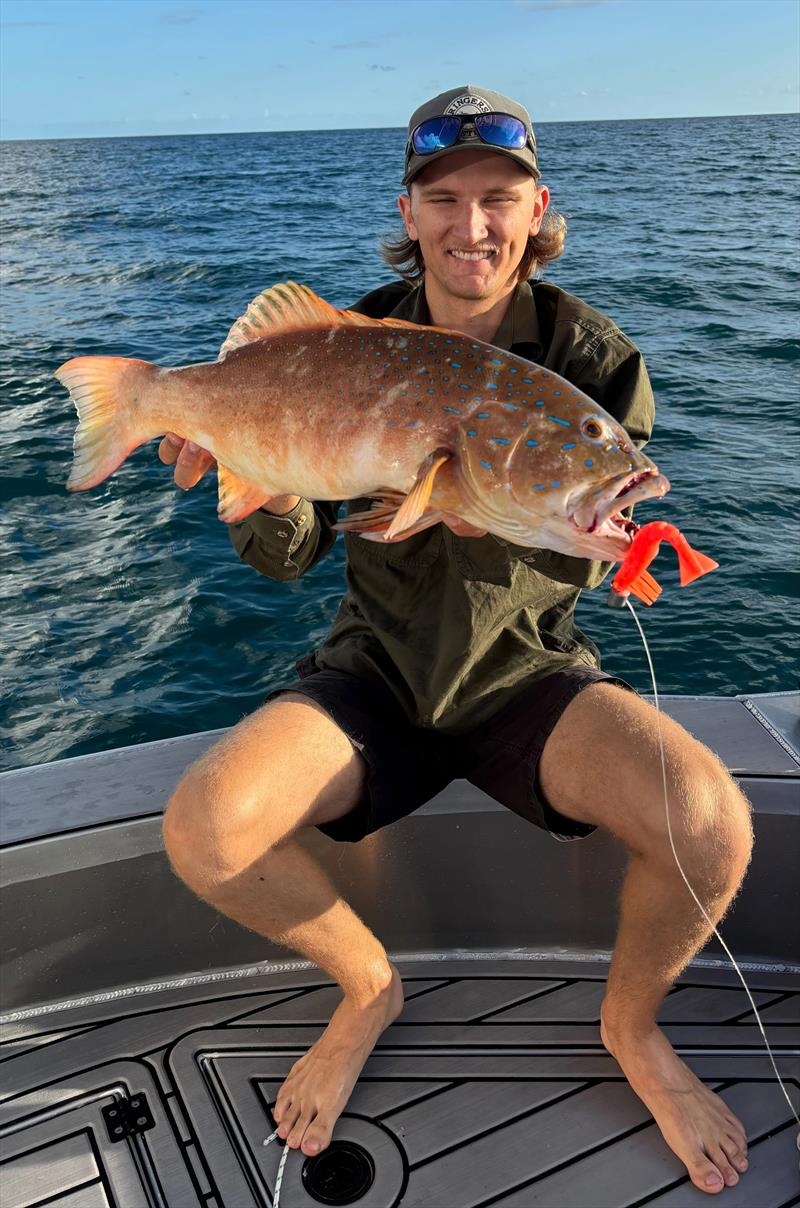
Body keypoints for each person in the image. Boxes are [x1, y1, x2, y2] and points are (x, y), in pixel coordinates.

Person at [161, 87, 753, 1195]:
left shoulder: (590, 359)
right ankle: (366, 984)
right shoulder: (345, 338)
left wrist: (489, 509)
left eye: (497, 198)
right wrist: (256, 485)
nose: (469, 224)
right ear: (410, 208)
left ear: (536, 212)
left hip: (523, 675)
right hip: (372, 672)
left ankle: (628, 1027)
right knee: (205, 825)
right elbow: (291, 556)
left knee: (711, 824)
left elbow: (597, 540)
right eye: (444, 198)